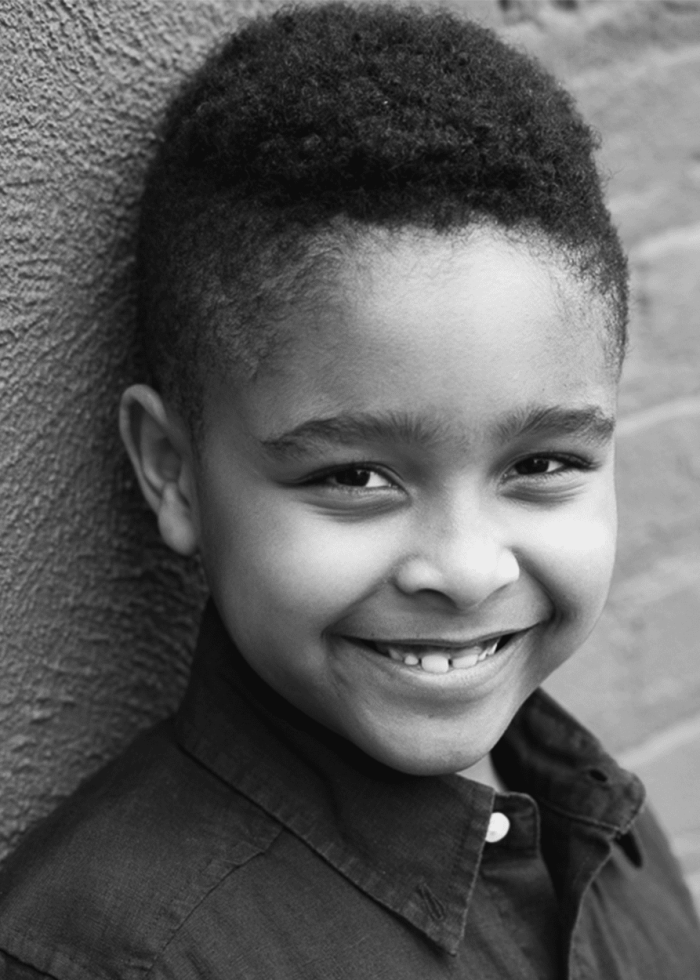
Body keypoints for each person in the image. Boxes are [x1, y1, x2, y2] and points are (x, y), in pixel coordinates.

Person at [0, 3, 698, 977]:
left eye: (540, 463)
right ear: (172, 468)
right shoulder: (101, 953)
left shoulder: (600, 820)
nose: (462, 570)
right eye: (353, 476)